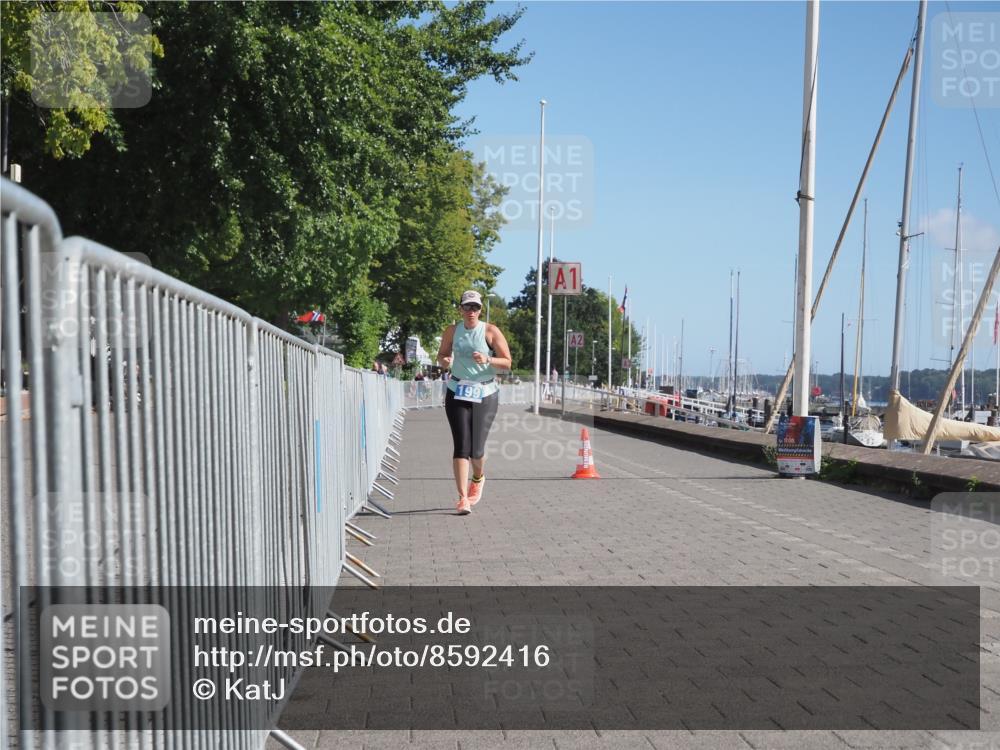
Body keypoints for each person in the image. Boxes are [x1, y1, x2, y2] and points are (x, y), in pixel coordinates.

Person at [436, 290, 512, 515]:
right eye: (467, 307)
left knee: (476, 450)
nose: (471, 311)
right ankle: (462, 499)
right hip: (457, 390)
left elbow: (507, 362)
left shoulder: (490, 331)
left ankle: (478, 477)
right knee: (461, 446)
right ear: (460, 309)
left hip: (485, 393)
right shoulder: (452, 330)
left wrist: (488, 358)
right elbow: (441, 356)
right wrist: (445, 361)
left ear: (480, 310)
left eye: (475, 307)